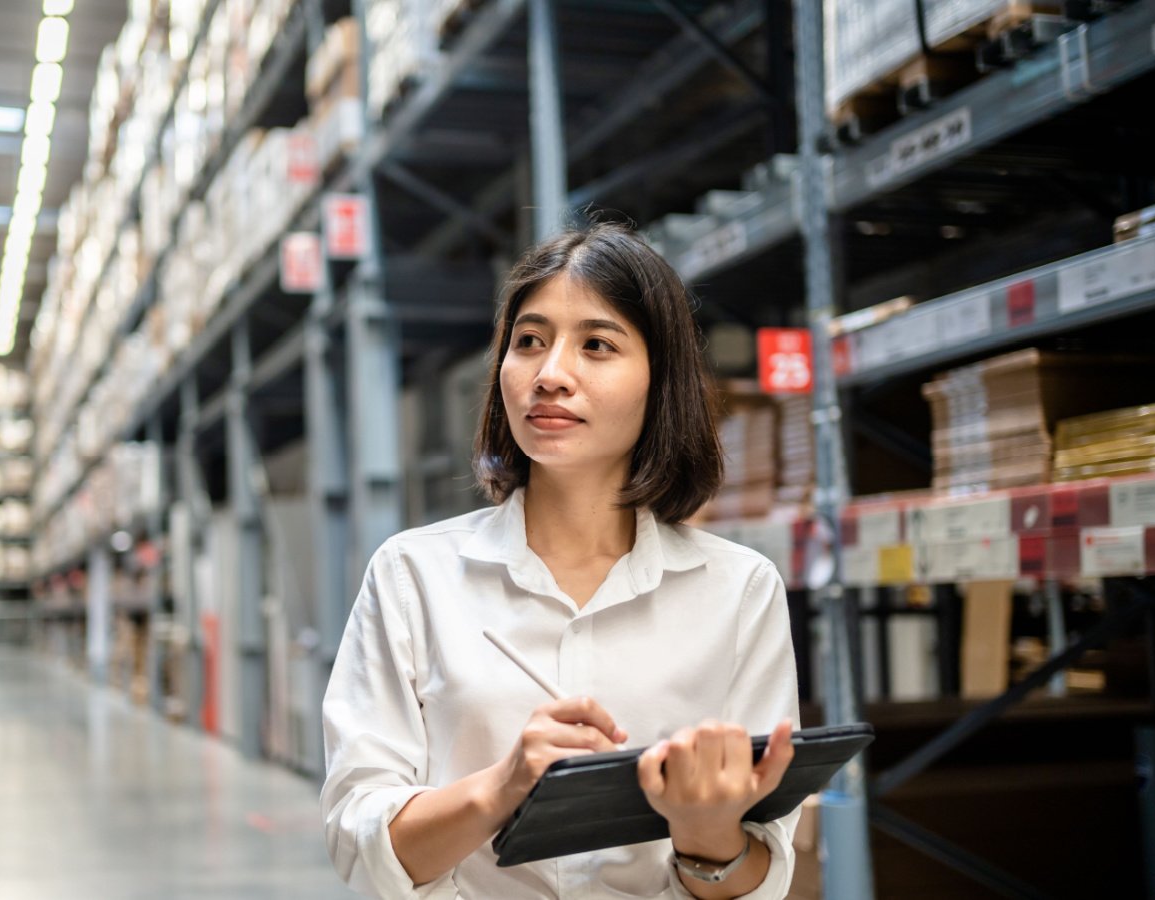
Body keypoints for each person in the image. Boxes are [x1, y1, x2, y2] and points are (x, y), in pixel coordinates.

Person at [321, 222, 800, 899]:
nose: (550, 375)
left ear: (659, 381)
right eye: (529, 343)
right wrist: (502, 786)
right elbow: (360, 840)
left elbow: (762, 875)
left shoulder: (737, 590)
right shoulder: (412, 575)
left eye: (597, 345)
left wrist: (706, 834)